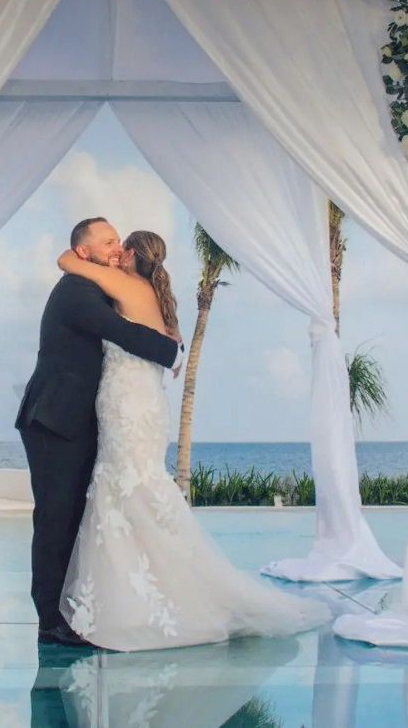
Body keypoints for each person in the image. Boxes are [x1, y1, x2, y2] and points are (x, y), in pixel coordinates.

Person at [55, 228, 330, 651]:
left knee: (125, 490)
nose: (112, 253)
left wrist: (88, 255)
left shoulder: (125, 284)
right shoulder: (157, 296)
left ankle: (134, 603)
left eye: (117, 245)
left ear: (129, 255)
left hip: (126, 405)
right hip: (145, 405)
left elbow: (67, 262)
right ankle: (151, 592)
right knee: (139, 490)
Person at [16, 217, 181, 648]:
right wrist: (170, 350)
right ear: (84, 252)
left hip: (77, 420)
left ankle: (63, 610)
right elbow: (122, 333)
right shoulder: (77, 291)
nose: (115, 247)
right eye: (108, 241)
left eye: (117, 240)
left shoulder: (97, 286)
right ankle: (49, 619)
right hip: (54, 420)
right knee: (54, 517)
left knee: (71, 516)